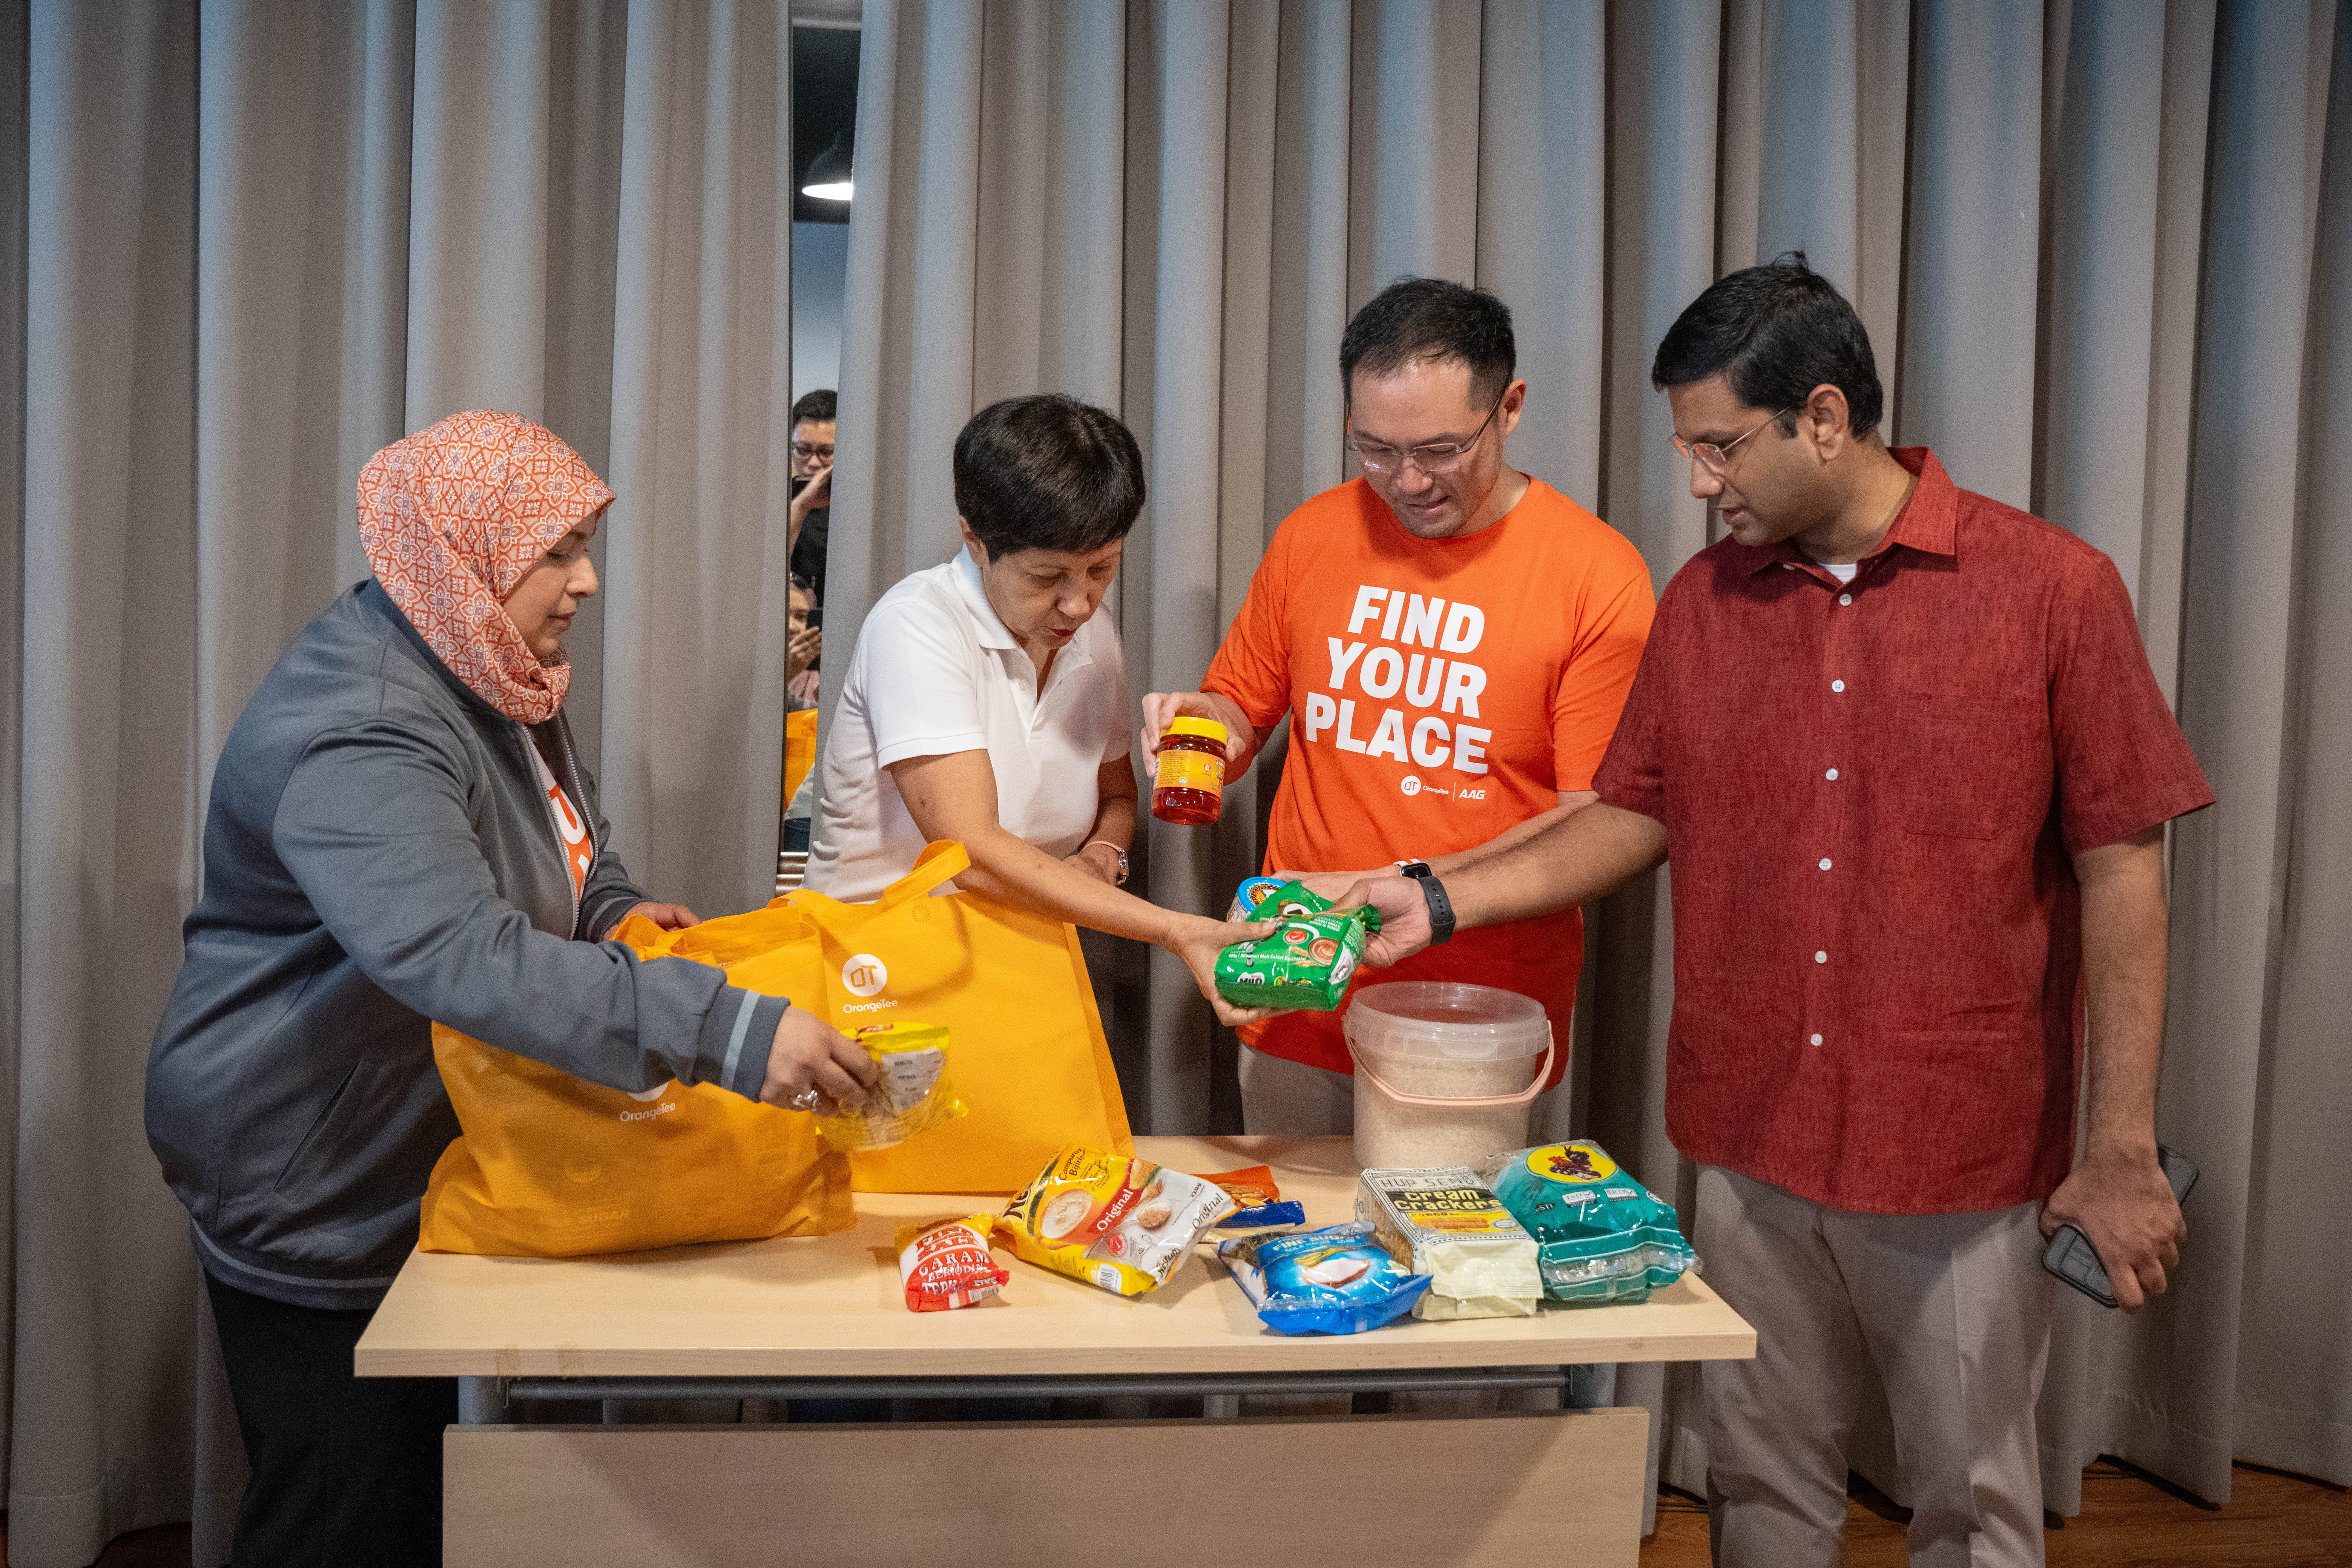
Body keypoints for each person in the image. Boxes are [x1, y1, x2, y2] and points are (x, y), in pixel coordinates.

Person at [1339, 257, 2214, 1568]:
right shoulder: (1703, 605)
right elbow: (1633, 811)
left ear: (1821, 415)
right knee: (1755, 1483)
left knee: (1972, 1503)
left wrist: (2120, 1148)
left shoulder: (2050, 591)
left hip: (1958, 1149)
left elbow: (2121, 870)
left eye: (1717, 445)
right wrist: (1438, 897)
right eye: (1687, 448)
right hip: (1747, 1136)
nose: (1699, 481)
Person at [146, 411, 877, 1567]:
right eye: (561, 552)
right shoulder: (364, 729)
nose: (586, 583)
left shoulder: (487, 659)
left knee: (438, 1496)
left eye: (586, 547)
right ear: (467, 549)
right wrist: (729, 1030)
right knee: (344, 1510)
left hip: (408, 1145)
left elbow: (565, 846)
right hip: (314, 1167)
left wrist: (616, 912)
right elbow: (463, 955)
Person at [1141, 277, 1654, 1132]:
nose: (1407, 480)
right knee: (1294, 1255)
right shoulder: (1314, 534)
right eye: (1374, 449)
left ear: (1511, 407)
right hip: (1297, 988)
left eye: (1442, 450)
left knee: (1459, 1262)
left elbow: (1595, 823)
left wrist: (1421, 889)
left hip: (1475, 1019)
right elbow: (1240, 712)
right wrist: (1198, 728)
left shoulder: (1596, 575)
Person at [804, 393, 1270, 1025]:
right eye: (1048, 576)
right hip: (879, 975)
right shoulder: (916, 627)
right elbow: (968, 852)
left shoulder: (1091, 635)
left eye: (1101, 568)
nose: (1078, 603)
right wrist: (1176, 930)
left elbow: (1116, 797)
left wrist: (1106, 855)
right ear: (974, 538)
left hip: (1020, 963)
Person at [788, 387, 836, 604]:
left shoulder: (864, 506)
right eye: (803, 450)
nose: (814, 463)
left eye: (827, 453)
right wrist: (802, 505)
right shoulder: (779, 502)